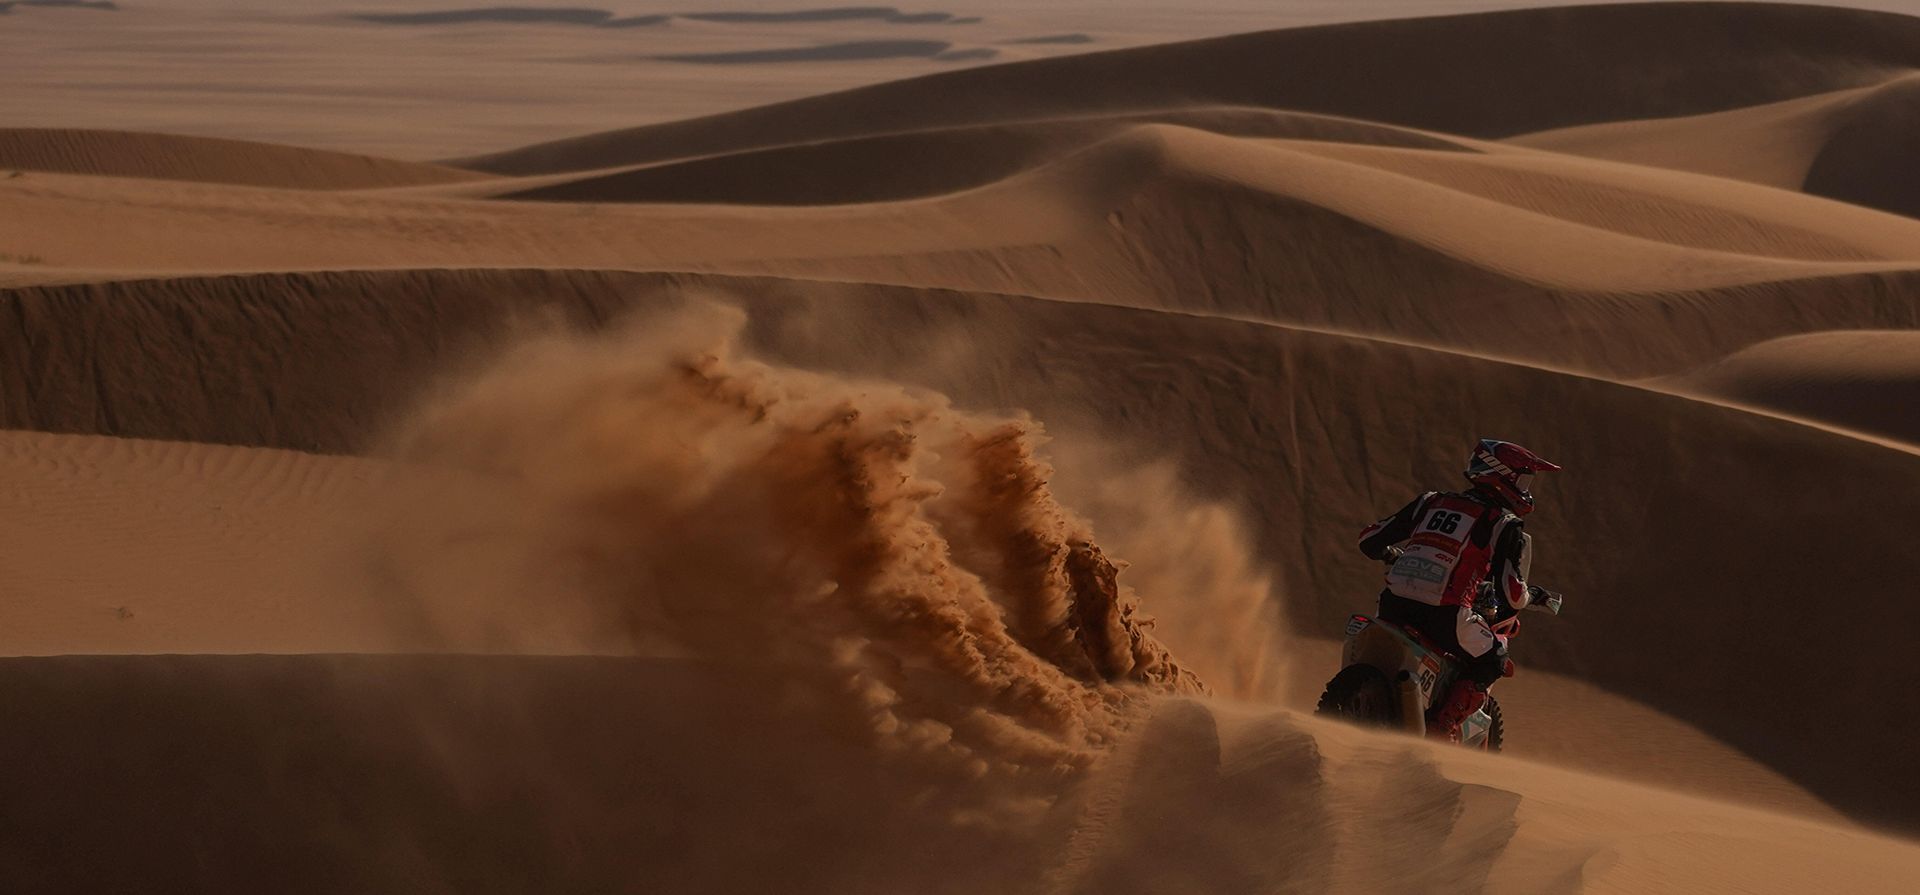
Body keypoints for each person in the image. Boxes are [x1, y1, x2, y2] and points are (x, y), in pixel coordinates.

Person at [1355, 439, 1560, 740]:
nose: (1526, 489)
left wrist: (1391, 554)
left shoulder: (1430, 502)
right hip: (1446, 614)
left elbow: (1368, 540)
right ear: (1501, 475)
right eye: (1523, 480)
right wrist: (1535, 595)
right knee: (1494, 659)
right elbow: (1513, 594)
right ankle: (1442, 727)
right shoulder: (1503, 523)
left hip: (1393, 604)